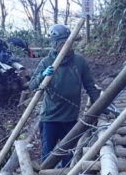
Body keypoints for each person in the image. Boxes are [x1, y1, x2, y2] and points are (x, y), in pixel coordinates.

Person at [28, 23, 101, 163]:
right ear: (55, 44)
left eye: (68, 43)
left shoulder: (79, 62)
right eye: (62, 43)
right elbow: (32, 86)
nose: (66, 47)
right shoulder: (47, 62)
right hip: (50, 118)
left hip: (70, 118)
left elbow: (90, 86)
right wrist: (43, 76)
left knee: (68, 155)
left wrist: (99, 105)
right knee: (48, 155)